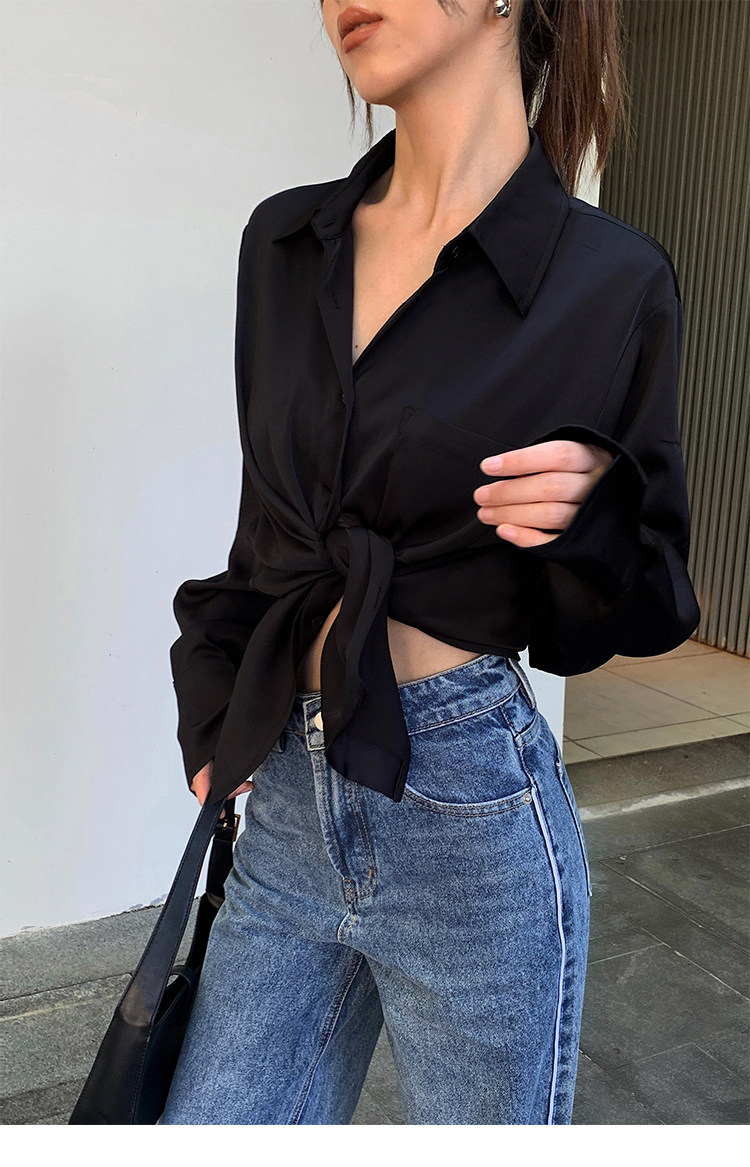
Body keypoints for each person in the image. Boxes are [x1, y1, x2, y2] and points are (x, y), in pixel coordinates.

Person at [160, 0, 700, 1125]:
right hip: (292, 802)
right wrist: (213, 697)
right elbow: (269, 535)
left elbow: (647, 608)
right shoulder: (285, 244)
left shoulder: (611, 281)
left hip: (472, 817)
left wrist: (594, 515)